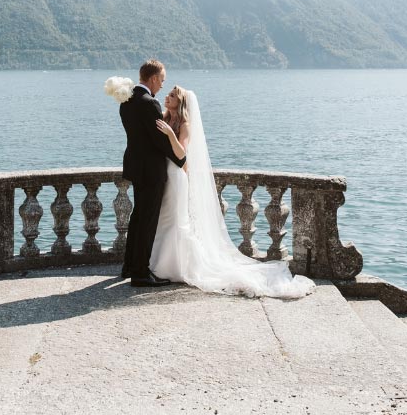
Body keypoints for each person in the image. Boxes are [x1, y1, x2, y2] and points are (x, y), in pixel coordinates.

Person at [150, 86, 315, 299]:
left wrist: (170, 134)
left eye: (172, 96)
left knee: (176, 221)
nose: (167, 97)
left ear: (180, 103)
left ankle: (175, 267)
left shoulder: (185, 125)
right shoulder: (164, 118)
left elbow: (182, 154)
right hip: (165, 176)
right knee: (165, 219)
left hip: (177, 177)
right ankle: (159, 264)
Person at [119, 59, 187, 288]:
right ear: (154, 78)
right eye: (162, 80)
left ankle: (129, 266)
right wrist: (181, 159)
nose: (162, 86)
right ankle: (140, 273)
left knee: (137, 218)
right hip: (151, 171)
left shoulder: (126, 101)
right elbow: (159, 140)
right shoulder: (150, 103)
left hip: (135, 167)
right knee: (147, 221)